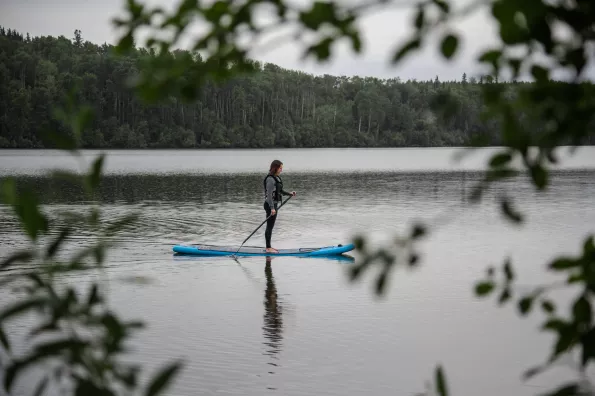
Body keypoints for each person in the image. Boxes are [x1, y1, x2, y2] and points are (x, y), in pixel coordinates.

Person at [263, 160, 296, 253]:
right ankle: (268, 248)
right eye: (280, 168)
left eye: (282, 168)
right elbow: (268, 195)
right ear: (275, 168)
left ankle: (269, 247)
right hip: (270, 205)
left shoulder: (276, 178)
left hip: (274, 205)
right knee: (269, 226)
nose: (281, 170)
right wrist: (272, 208)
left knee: (271, 226)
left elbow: (279, 191)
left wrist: (289, 193)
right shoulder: (270, 179)